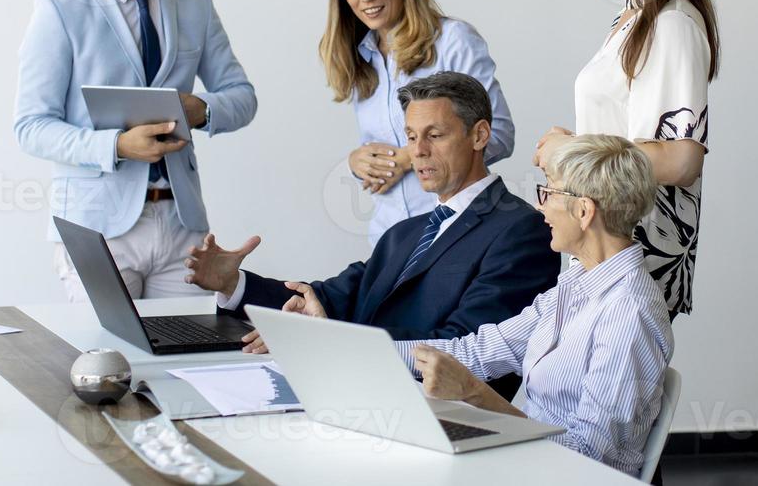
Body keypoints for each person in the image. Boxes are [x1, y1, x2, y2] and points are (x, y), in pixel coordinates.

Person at [185, 72, 557, 398]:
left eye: (435, 135)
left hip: (440, 411)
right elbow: (328, 298)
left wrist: (332, 339)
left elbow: (467, 350)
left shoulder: (521, 230)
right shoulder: (406, 232)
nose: (419, 151)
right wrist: (234, 283)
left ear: (479, 135)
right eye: (411, 137)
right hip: (361, 391)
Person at [15, 0, 257, 301]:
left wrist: (200, 109)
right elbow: (31, 126)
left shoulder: (194, 4)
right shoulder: (59, 10)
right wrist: (116, 146)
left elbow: (242, 97)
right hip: (99, 229)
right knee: (110, 364)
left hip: (183, 226)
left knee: (192, 362)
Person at [399, 134, 673, 478]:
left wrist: (474, 394)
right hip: (528, 465)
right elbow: (478, 351)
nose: (540, 206)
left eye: (549, 192)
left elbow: (589, 458)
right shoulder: (572, 287)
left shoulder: (628, 313)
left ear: (584, 211)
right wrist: (375, 354)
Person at [534, 0, 720, 318]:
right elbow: (629, 130)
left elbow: (681, 160)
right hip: (604, 243)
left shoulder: (671, 25)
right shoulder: (634, 17)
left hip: (635, 254)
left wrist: (572, 151)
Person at [320, 0, 515, 247]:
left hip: (456, 236)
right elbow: (380, 146)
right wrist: (357, 162)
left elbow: (499, 135)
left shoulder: (454, 41)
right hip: (389, 242)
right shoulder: (357, 57)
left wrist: (410, 157)